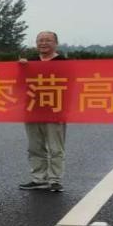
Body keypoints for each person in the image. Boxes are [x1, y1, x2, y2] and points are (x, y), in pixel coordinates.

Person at [18, 30, 68, 192]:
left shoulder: (63, 62)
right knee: (35, 147)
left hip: (55, 110)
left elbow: (70, 85)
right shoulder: (30, 62)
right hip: (33, 109)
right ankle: (39, 179)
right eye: (40, 40)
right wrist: (22, 68)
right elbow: (19, 83)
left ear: (56, 43)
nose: (43, 43)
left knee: (56, 148)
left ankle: (55, 180)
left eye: (48, 40)